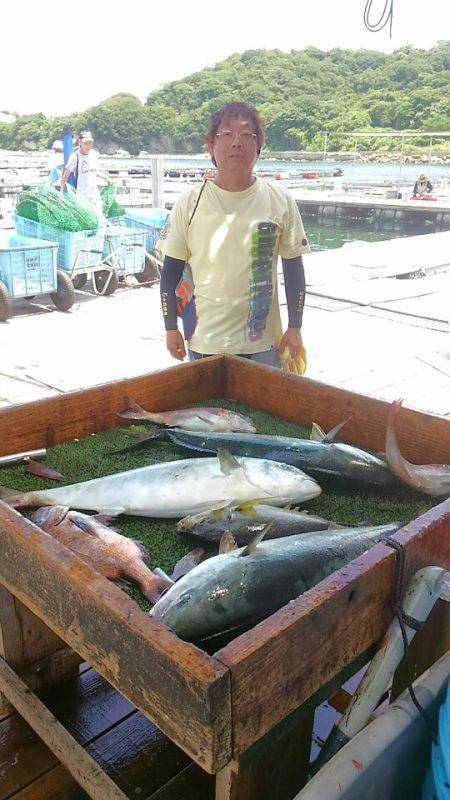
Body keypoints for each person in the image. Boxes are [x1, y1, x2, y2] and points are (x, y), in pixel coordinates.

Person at [160, 102, 309, 367]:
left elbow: (293, 269)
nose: (236, 142)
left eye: (246, 134)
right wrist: (171, 326)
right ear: (211, 148)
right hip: (204, 344)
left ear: (258, 147)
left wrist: (295, 326)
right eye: (226, 134)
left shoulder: (281, 201)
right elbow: (170, 271)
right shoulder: (189, 203)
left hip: (264, 347)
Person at [60, 131, 106, 220]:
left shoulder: (93, 154)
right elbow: (65, 176)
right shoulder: (75, 156)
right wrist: (61, 193)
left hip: (94, 193)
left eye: (90, 143)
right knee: (85, 219)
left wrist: (105, 178)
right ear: (80, 142)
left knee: (99, 218)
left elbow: (95, 171)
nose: (88, 146)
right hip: (82, 195)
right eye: (85, 143)